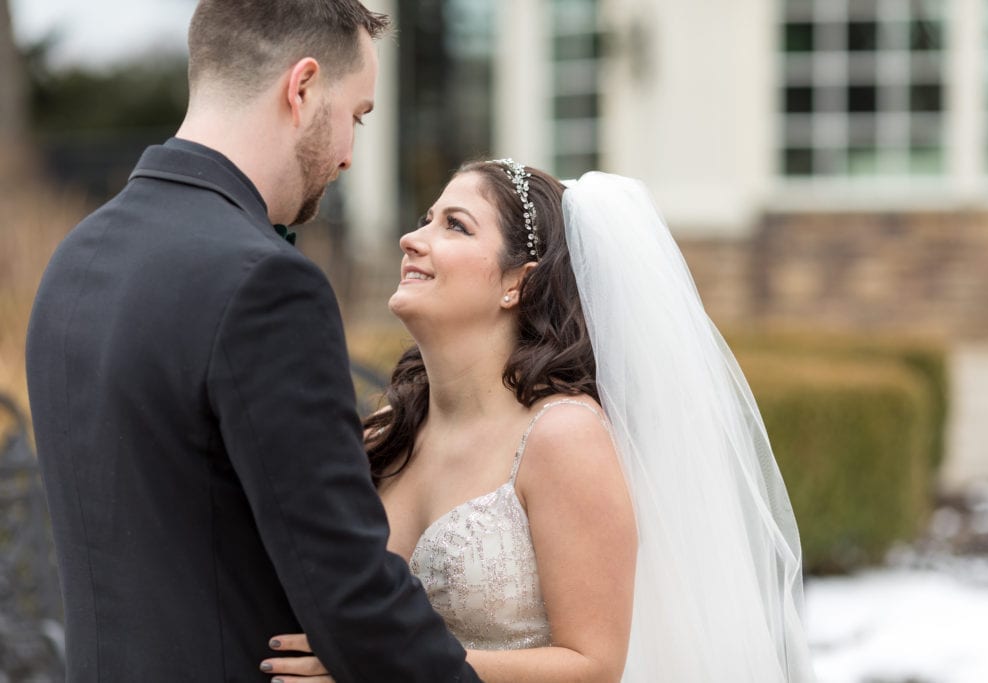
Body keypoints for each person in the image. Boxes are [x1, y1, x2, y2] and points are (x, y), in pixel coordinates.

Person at [25, 1, 480, 681]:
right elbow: (350, 592)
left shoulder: (74, 258)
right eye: (356, 116)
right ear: (301, 89)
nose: (351, 155)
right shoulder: (266, 284)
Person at [262, 160, 817, 681]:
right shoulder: (386, 430)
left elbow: (593, 666)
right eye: (424, 219)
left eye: (455, 225)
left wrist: (388, 667)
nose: (414, 238)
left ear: (519, 284)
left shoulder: (562, 435)